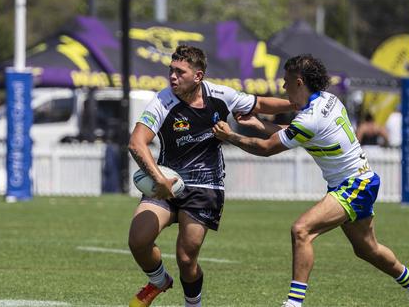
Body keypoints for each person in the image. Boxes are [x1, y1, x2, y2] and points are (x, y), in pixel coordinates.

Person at [211, 54, 409, 307]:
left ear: (299, 82)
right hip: (359, 181)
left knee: (301, 230)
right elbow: (294, 135)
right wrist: (258, 123)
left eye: (286, 81)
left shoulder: (310, 117)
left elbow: (267, 149)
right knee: (366, 249)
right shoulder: (328, 100)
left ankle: (293, 303)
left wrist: (230, 136)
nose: (283, 87)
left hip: (354, 185)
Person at [127, 45, 296, 307]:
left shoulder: (221, 95)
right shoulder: (162, 101)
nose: (172, 77)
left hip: (206, 186)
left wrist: (299, 103)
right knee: (138, 240)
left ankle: (193, 304)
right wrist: (159, 179)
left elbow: (259, 104)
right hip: (168, 180)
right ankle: (159, 281)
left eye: (179, 72)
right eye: (171, 70)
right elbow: (137, 143)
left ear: (198, 76)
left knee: (186, 258)